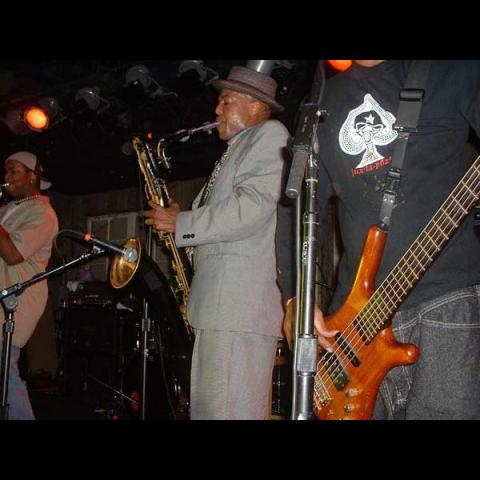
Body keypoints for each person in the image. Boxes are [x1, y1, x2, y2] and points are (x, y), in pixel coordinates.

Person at [277, 60, 480, 420]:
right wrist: (296, 299)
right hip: (355, 323)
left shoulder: (452, 69)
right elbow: (295, 208)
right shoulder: (323, 100)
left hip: (446, 298)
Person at [144, 65, 290, 419]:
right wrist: (182, 218)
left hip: (237, 310)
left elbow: (252, 207)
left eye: (225, 101)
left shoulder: (269, 134)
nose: (216, 110)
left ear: (255, 105)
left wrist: (183, 223)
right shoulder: (235, 151)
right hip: (220, 310)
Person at [0, 151, 59, 420]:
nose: (7, 177)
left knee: (4, 372)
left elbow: (13, 255)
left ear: (32, 176)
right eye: (6, 171)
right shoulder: (6, 210)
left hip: (15, 302)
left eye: (14, 171)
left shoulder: (43, 213)